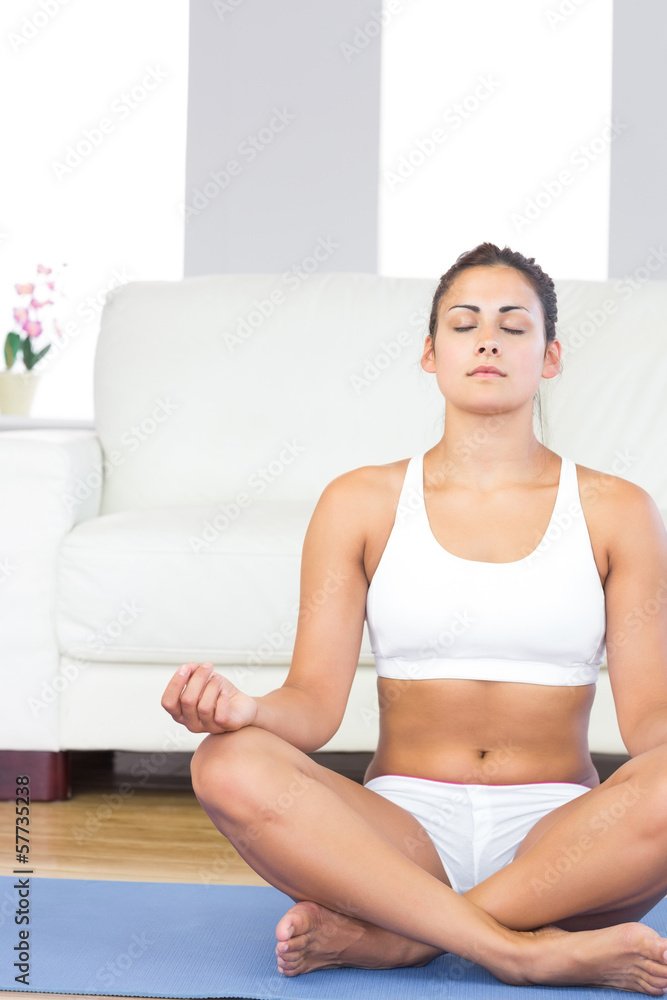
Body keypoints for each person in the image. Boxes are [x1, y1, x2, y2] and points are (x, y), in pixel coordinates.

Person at [161, 243, 667, 994]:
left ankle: (403, 940)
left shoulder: (617, 510)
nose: (487, 339)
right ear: (430, 354)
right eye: (464, 324)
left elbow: (651, 724)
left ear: (550, 357)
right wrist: (247, 710)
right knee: (226, 762)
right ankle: (520, 951)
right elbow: (313, 706)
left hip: (559, 843)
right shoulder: (358, 502)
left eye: (513, 326)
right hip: (400, 837)